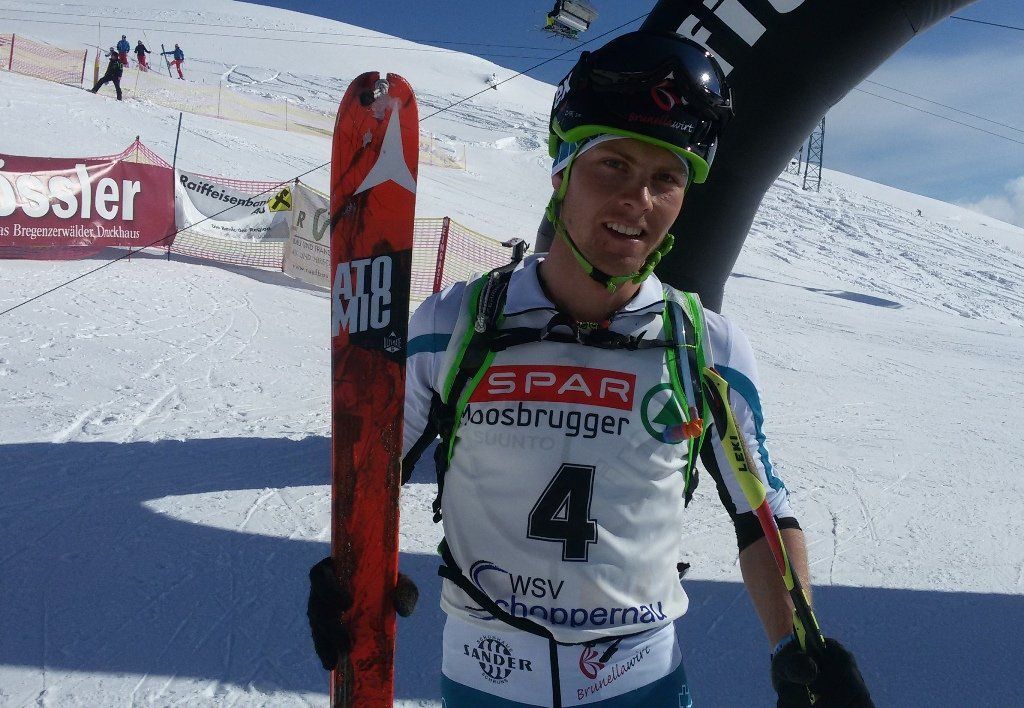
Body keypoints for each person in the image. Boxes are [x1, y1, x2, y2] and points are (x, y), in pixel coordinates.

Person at [307, 29, 874, 707]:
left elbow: (762, 514)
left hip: (642, 686)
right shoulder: (456, 326)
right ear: (561, 172)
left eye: (667, 179)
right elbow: (370, 479)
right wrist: (345, 575)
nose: (639, 200)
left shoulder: (706, 349)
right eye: (613, 166)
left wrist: (800, 647)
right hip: (486, 680)